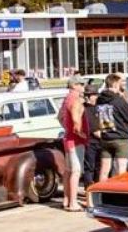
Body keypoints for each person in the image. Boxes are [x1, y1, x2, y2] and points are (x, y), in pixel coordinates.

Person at [95, 74, 128, 182]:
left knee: (104, 170)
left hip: (105, 137)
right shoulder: (119, 100)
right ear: (115, 84)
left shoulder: (99, 100)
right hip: (120, 138)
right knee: (121, 169)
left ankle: (102, 190)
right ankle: (121, 191)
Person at [56, 76, 88, 211]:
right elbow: (76, 122)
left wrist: (67, 128)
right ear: (74, 85)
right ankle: (73, 203)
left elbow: (59, 117)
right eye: (81, 84)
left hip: (68, 138)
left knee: (68, 170)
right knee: (76, 171)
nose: (83, 87)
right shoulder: (76, 100)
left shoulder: (66, 99)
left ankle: (67, 199)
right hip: (76, 140)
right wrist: (81, 133)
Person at [80, 85, 104, 187]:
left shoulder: (98, 107)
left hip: (99, 142)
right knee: (89, 167)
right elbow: (95, 130)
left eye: (96, 95)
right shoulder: (85, 109)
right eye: (94, 95)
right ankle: (88, 188)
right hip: (91, 142)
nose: (96, 97)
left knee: (99, 166)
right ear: (88, 96)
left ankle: (97, 187)